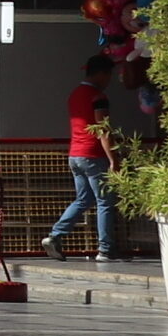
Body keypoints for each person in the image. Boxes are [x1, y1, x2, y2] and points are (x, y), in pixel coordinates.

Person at [45, 54, 118, 261]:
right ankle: (105, 249)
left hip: (75, 154)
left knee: (84, 199)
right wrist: (114, 160)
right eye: (109, 75)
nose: (109, 81)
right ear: (102, 74)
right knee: (105, 201)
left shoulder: (75, 94)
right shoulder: (98, 97)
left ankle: (55, 236)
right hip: (94, 155)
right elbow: (103, 129)